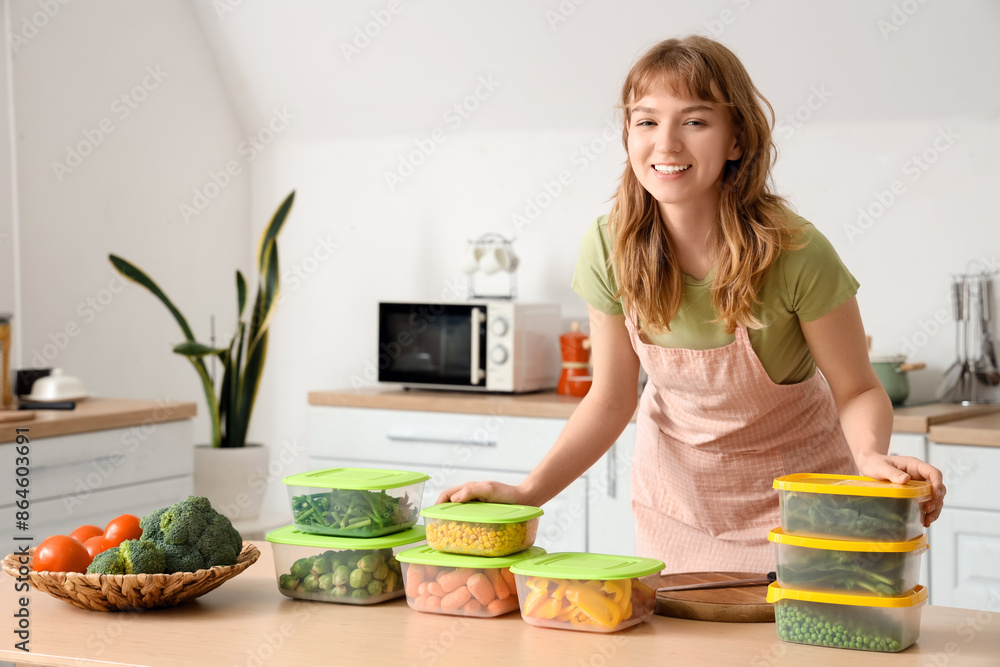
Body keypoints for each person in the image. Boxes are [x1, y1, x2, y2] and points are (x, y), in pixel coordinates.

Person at [437, 35, 946, 572]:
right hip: (677, 510)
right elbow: (611, 397)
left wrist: (868, 457)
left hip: (806, 505)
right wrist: (529, 492)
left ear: (736, 140)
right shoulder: (610, 246)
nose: (667, 145)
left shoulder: (795, 251)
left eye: (695, 121)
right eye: (647, 121)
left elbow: (859, 388)